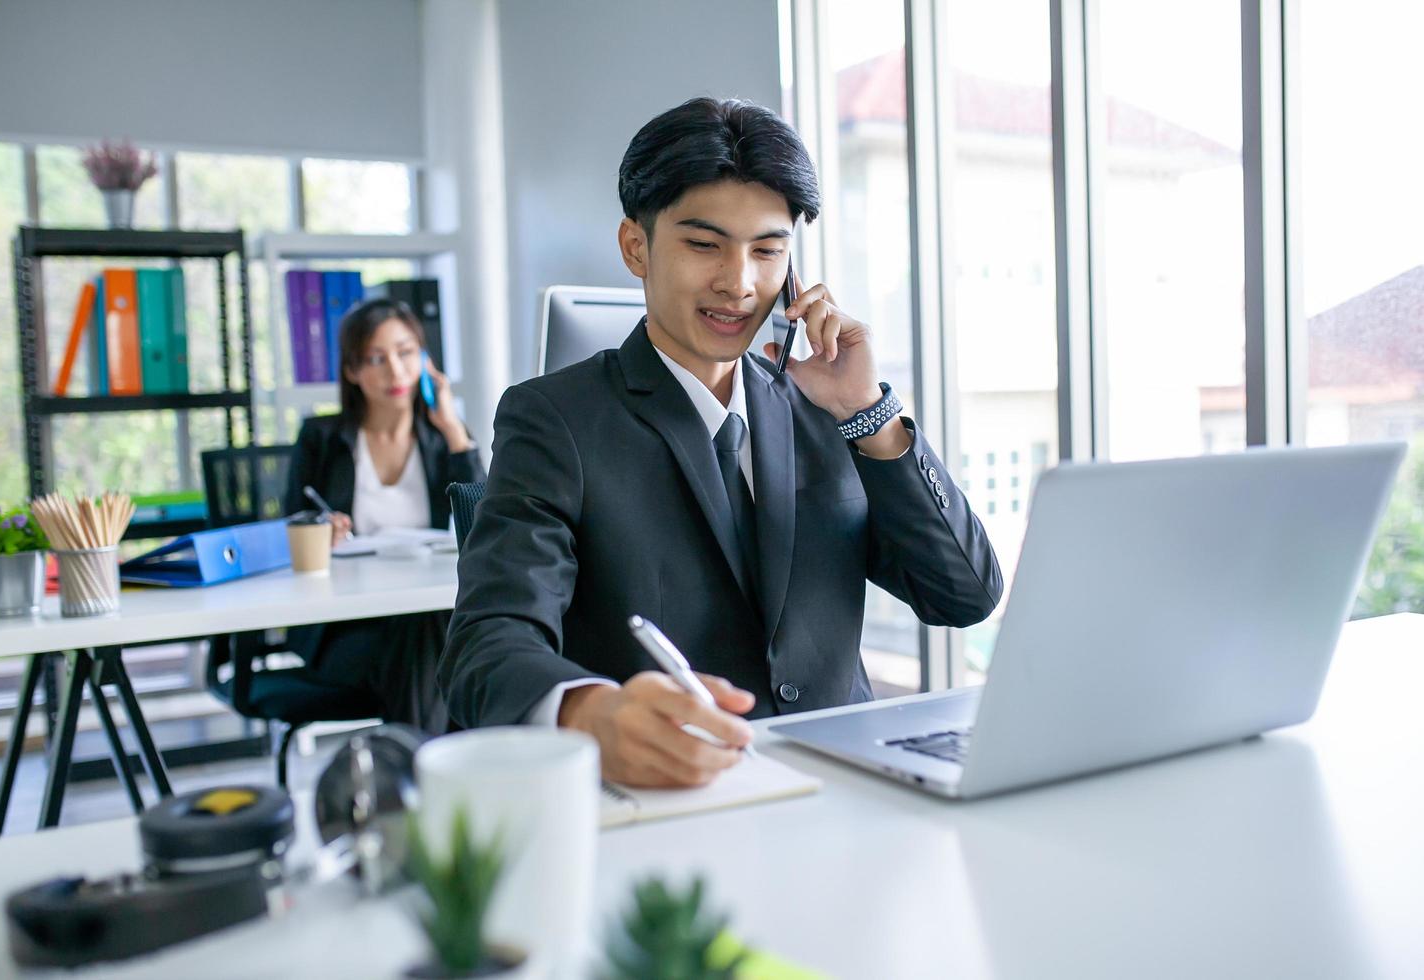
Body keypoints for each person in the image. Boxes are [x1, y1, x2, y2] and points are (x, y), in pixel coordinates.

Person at [441, 97, 1002, 786]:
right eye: (704, 245)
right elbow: (487, 645)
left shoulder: (825, 407)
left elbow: (964, 596)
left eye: (768, 251)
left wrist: (868, 412)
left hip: (846, 791)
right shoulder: (554, 420)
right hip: (680, 803)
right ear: (636, 246)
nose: (739, 283)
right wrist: (590, 713)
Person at [284, 298, 485, 731]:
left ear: (425, 360)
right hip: (344, 626)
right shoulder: (321, 439)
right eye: (377, 359)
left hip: (425, 615)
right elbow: (292, 525)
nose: (395, 371)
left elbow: (483, 522)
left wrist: (452, 428)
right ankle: (439, 773)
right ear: (352, 371)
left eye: (406, 352)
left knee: (439, 634)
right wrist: (321, 530)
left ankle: (414, 770)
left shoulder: (442, 439)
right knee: (447, 649)